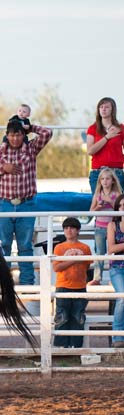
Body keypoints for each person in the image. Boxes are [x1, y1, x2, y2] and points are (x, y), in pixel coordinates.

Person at [0, 120, 53, 285]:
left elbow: (47, 133)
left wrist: (31, 127)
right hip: (4, 204)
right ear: (7, 135)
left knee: (25, 246)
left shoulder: (31, 149)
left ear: (23, 135)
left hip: (25, 204)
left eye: (18, 134)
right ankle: (4, 283)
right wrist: (2, 169)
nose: (15, 138)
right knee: (3, 245)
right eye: (12, 135)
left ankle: (27, 284)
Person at [53, 217, 92, 348]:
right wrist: (74, 260)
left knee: (78, 317)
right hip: (63, 285)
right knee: (62, 316)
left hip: (80, 286)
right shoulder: (59, 247)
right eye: (66, 228)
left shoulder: (85, 248)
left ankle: (76, 346)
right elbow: (56, 267)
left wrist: (71, 261)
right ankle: (61, 347)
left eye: (72, 228)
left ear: (78, 230)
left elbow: (87, 266)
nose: (68, 230)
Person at [88, 168, 122, 285]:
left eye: (107, 178)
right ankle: (97, 278)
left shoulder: (116, 194)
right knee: (100, 253)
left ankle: (115, 277)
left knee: (114, 252)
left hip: (113, 227)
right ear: (99, 181)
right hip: (99, 227)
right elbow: (91, 212)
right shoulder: (98, 194)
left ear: (112, 181)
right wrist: (98, 206)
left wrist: (110, 201)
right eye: (102, 179)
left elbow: (120, 209)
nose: (105, 181)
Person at [86, 97, 124, 194]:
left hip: (117, 173)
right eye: (101, 107)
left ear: (112, 110)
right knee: (98, 205)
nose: (103, 109)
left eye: (106, 107)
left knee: (118, 205)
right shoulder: (93, 128)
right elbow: (90, 151)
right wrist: (107, 137)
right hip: (98, 174)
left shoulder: (121, 129)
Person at [107, 194, 124, 348]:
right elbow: (111, 249)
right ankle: (117, 336)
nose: (123, 208)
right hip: (117, 268)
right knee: (122, 297)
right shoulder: (112, 225)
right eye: (121, 205)